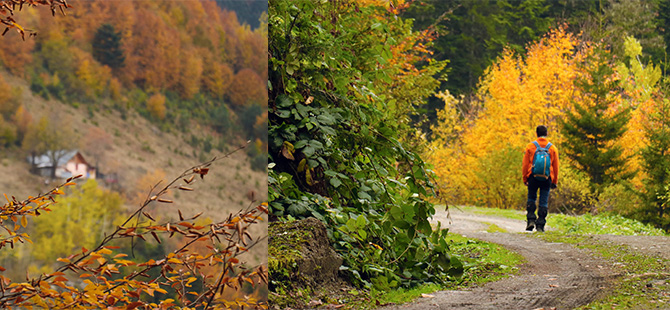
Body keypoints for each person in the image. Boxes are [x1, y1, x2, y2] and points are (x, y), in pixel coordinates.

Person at [522, 125, 559, 232]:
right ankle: (540, 225)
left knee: (531, 197)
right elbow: (556, 166)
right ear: (546, 133)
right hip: (547, 178)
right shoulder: (552, 148)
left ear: (536, 133)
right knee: (543, 201)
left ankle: (531, 220)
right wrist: (554, 180)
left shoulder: (530, 146)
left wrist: (525, 178)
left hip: (532, 177)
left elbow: (525, 164)